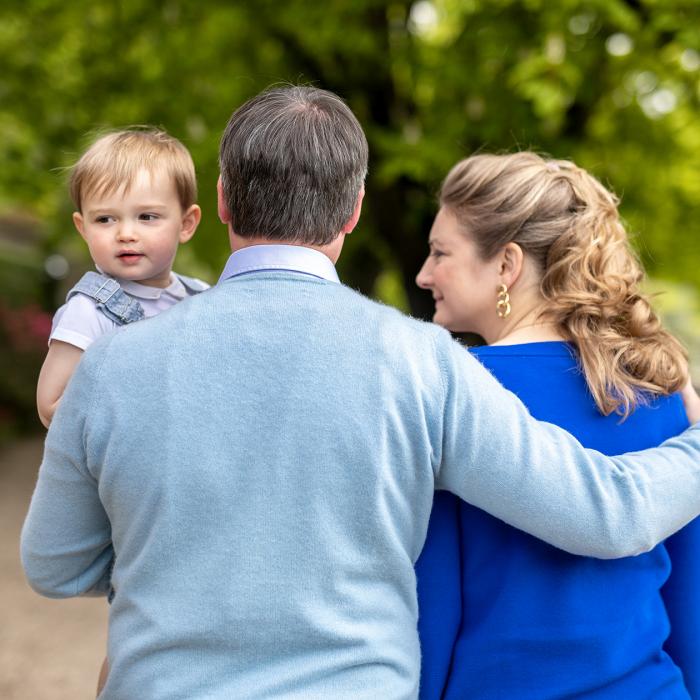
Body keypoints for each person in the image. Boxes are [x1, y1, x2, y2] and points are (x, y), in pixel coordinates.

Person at [19, 86, 700, 700]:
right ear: (354, 208)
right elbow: (608, 514)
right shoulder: (422, 362)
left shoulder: (109, 365)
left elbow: (55, 564)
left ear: (222, 200)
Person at [415, 152, 700, 699]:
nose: (425, 274)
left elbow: (435, 604)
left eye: (439, 252)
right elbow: (687, 589)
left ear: (506, 266)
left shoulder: (455, 395)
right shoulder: (659, 389)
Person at [36, 128, 208, 428]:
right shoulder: (89, 311)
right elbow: (51, 406)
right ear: (83, 227)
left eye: (147, 217)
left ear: (186, 223)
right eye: (105, 219)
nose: (126, 234)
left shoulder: (202, 300)